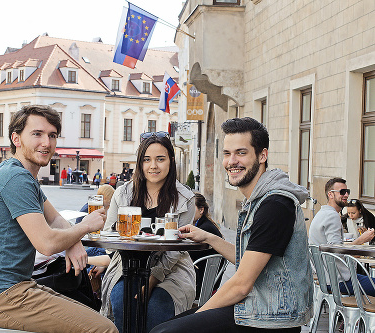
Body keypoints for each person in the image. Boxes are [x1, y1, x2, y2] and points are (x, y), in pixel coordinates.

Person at [0, 105, 117, 333]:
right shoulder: (16, 177)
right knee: (104, 329)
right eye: (37, 134)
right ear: (16, 138)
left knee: (90, 314)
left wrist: (73, 243)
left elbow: (55, 219)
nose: (46, 142)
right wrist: (85, 226)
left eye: (52, 135)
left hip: (8, 289)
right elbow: (47, 244)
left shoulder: (20, 174)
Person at [152, 117, 313, 333]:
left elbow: (241, 284)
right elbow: (249, 260)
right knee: (164, 327)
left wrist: (201, 314)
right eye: (227, 154)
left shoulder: (275, 205)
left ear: (262, 155)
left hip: (270, 318)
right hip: (257, 307)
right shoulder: (259, 200)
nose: (232, 161)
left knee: (166, 331)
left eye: (241, 153)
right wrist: (209, 237)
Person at [100, 131, 196, 333]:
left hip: (171, 269)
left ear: (171, 161)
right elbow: (108, 234)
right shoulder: (123, 193)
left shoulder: (185, 199)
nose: (153, 166)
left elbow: (176, 250)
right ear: (140, 163)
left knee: (157, 307)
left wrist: (153, 279)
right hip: (126, 268)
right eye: (147, 160)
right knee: (121, 301)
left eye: (160, 159)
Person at [309, 178, 375, 295]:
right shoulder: (332, 216)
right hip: (339, 281)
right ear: (330, 194)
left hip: (326, 278)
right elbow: (336, 252)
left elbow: (333, 247)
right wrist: (361, 240)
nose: (346, 195)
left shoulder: (322, 213)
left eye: (347, 191)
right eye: (342, 192)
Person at [190, 192, 224, 299]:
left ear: (201, 210)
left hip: (203, 286)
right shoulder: (203, 224)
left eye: (190, 207)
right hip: (208, 283)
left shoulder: (204, 228)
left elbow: (188, 254)